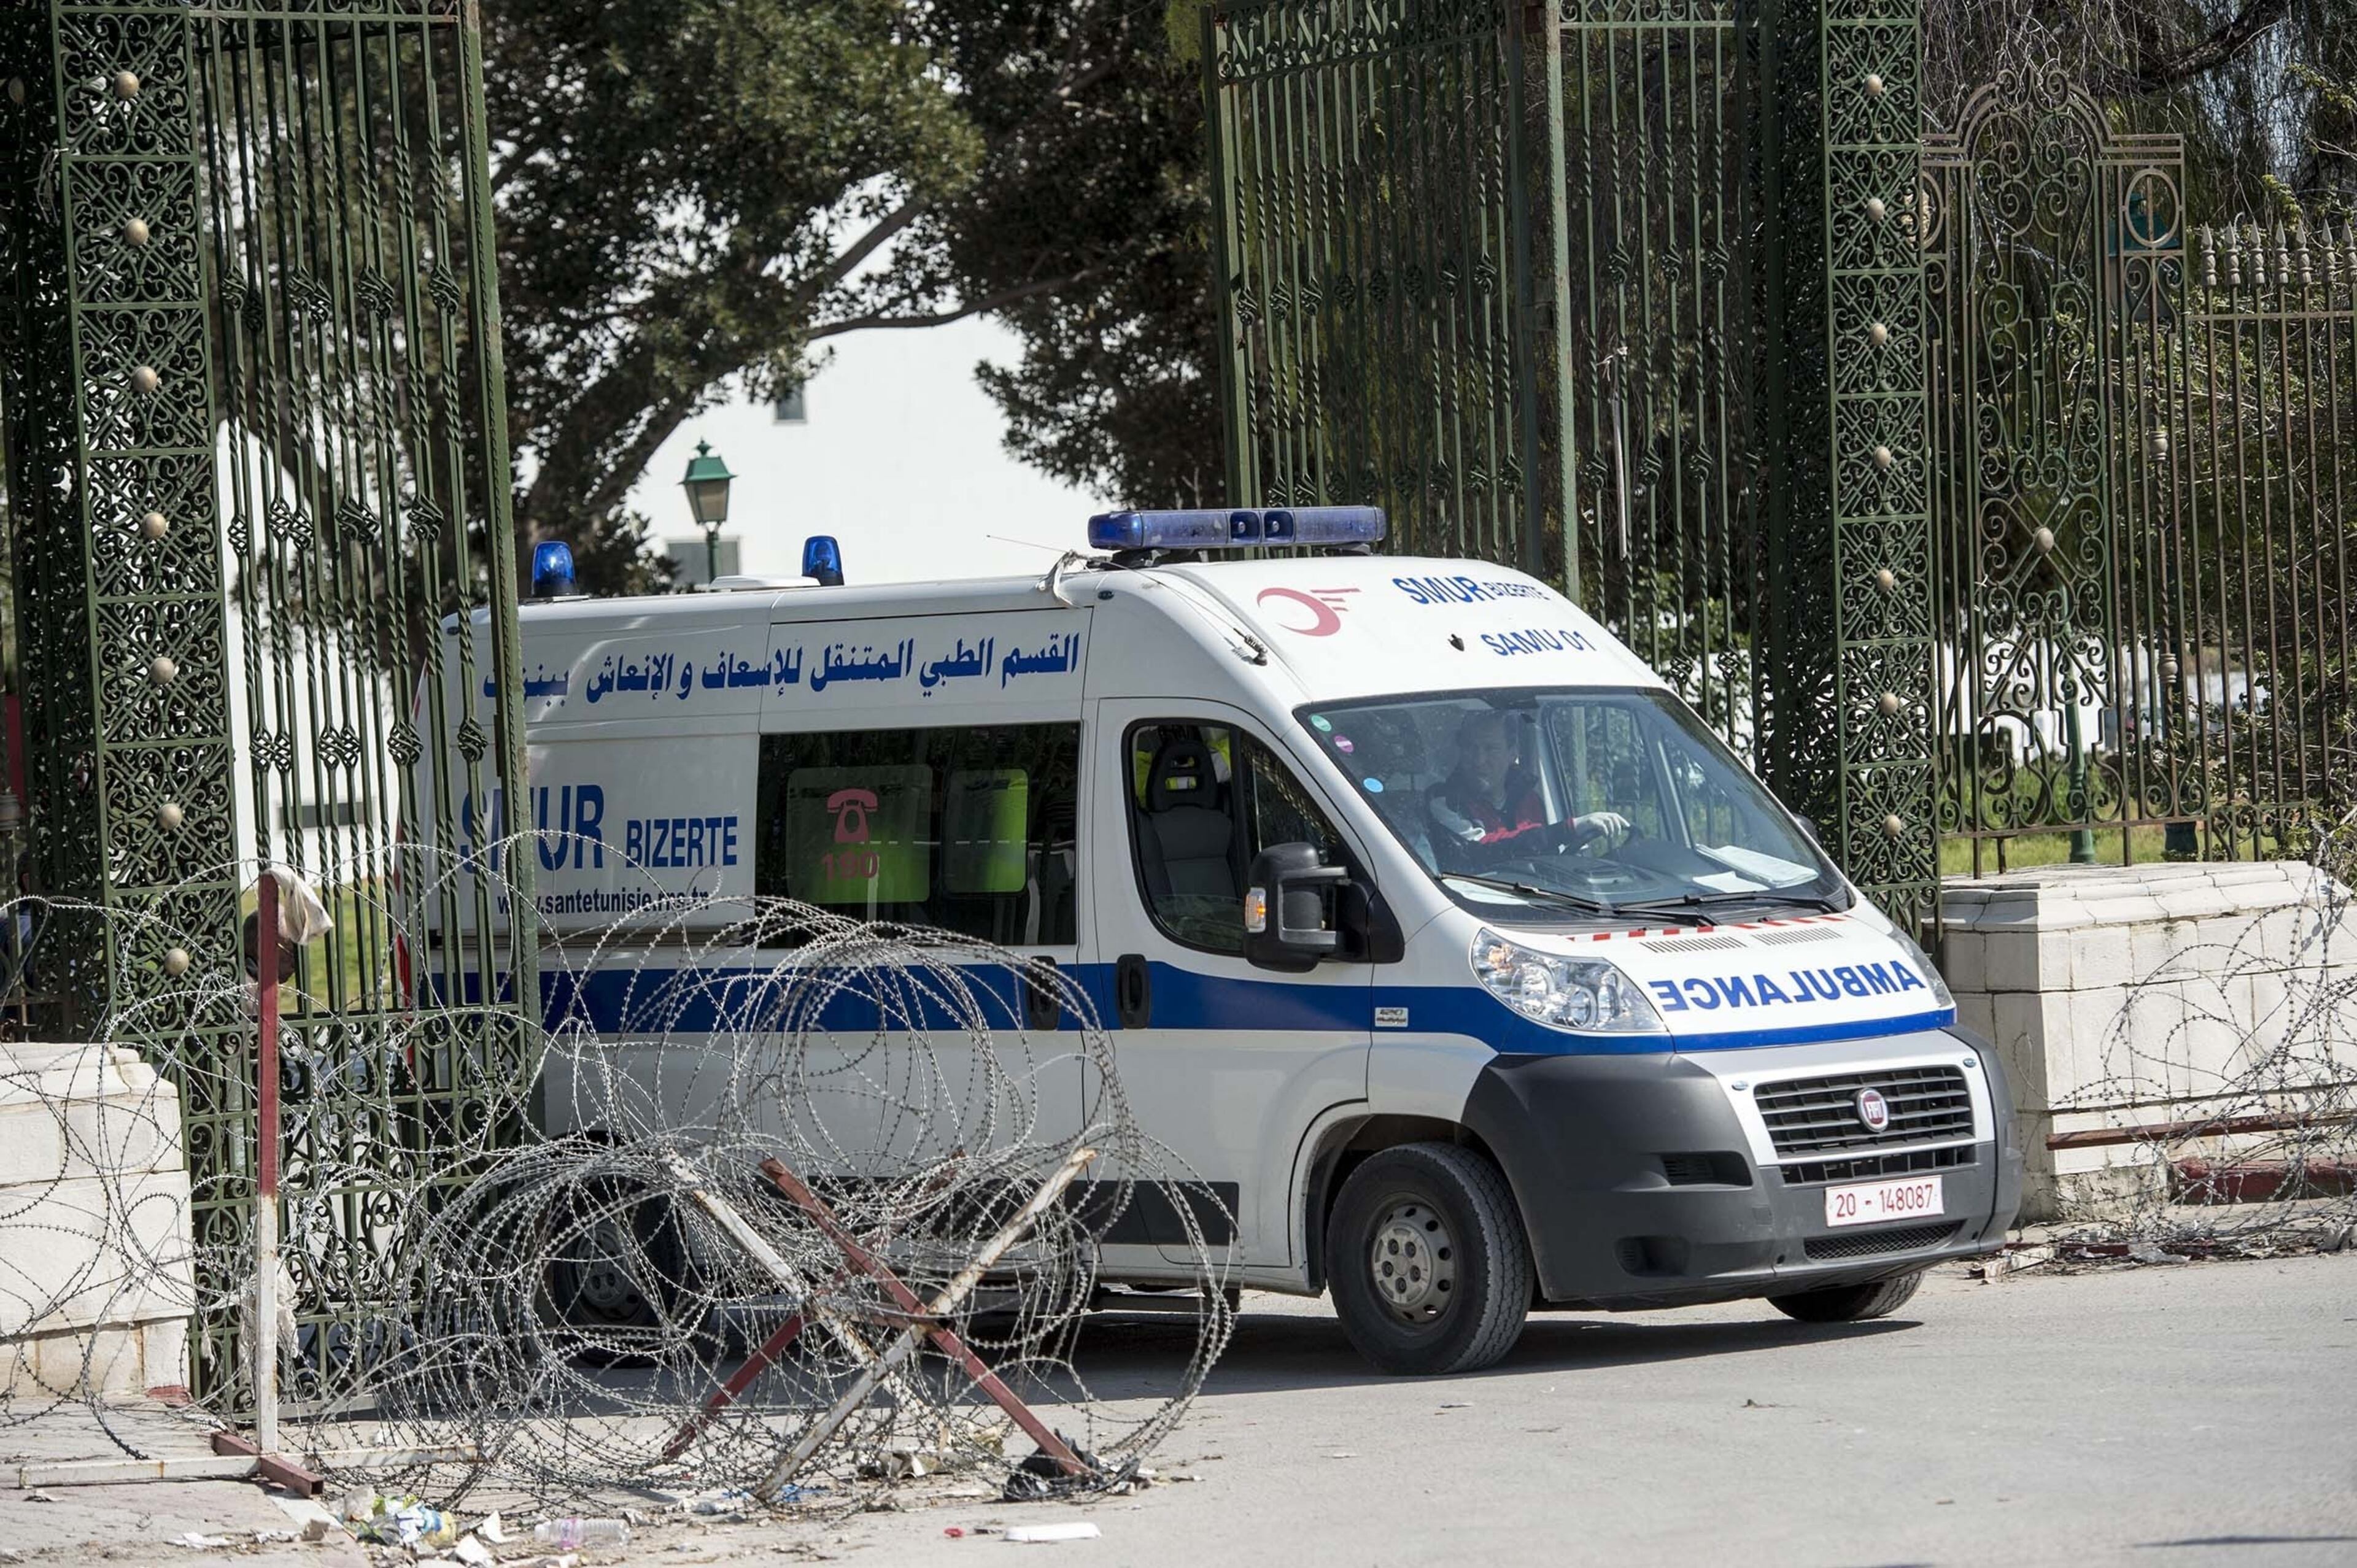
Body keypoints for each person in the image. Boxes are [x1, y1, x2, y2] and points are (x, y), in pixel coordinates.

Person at [1428, 710, 1628, 866]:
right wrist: (1569, 829)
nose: (1479, 761)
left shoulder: (1529, 799)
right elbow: (1481, 850)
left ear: (1512, 753)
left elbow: (1544, 854)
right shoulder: (1445, 802)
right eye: (1471, 748)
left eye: (1491, 749)